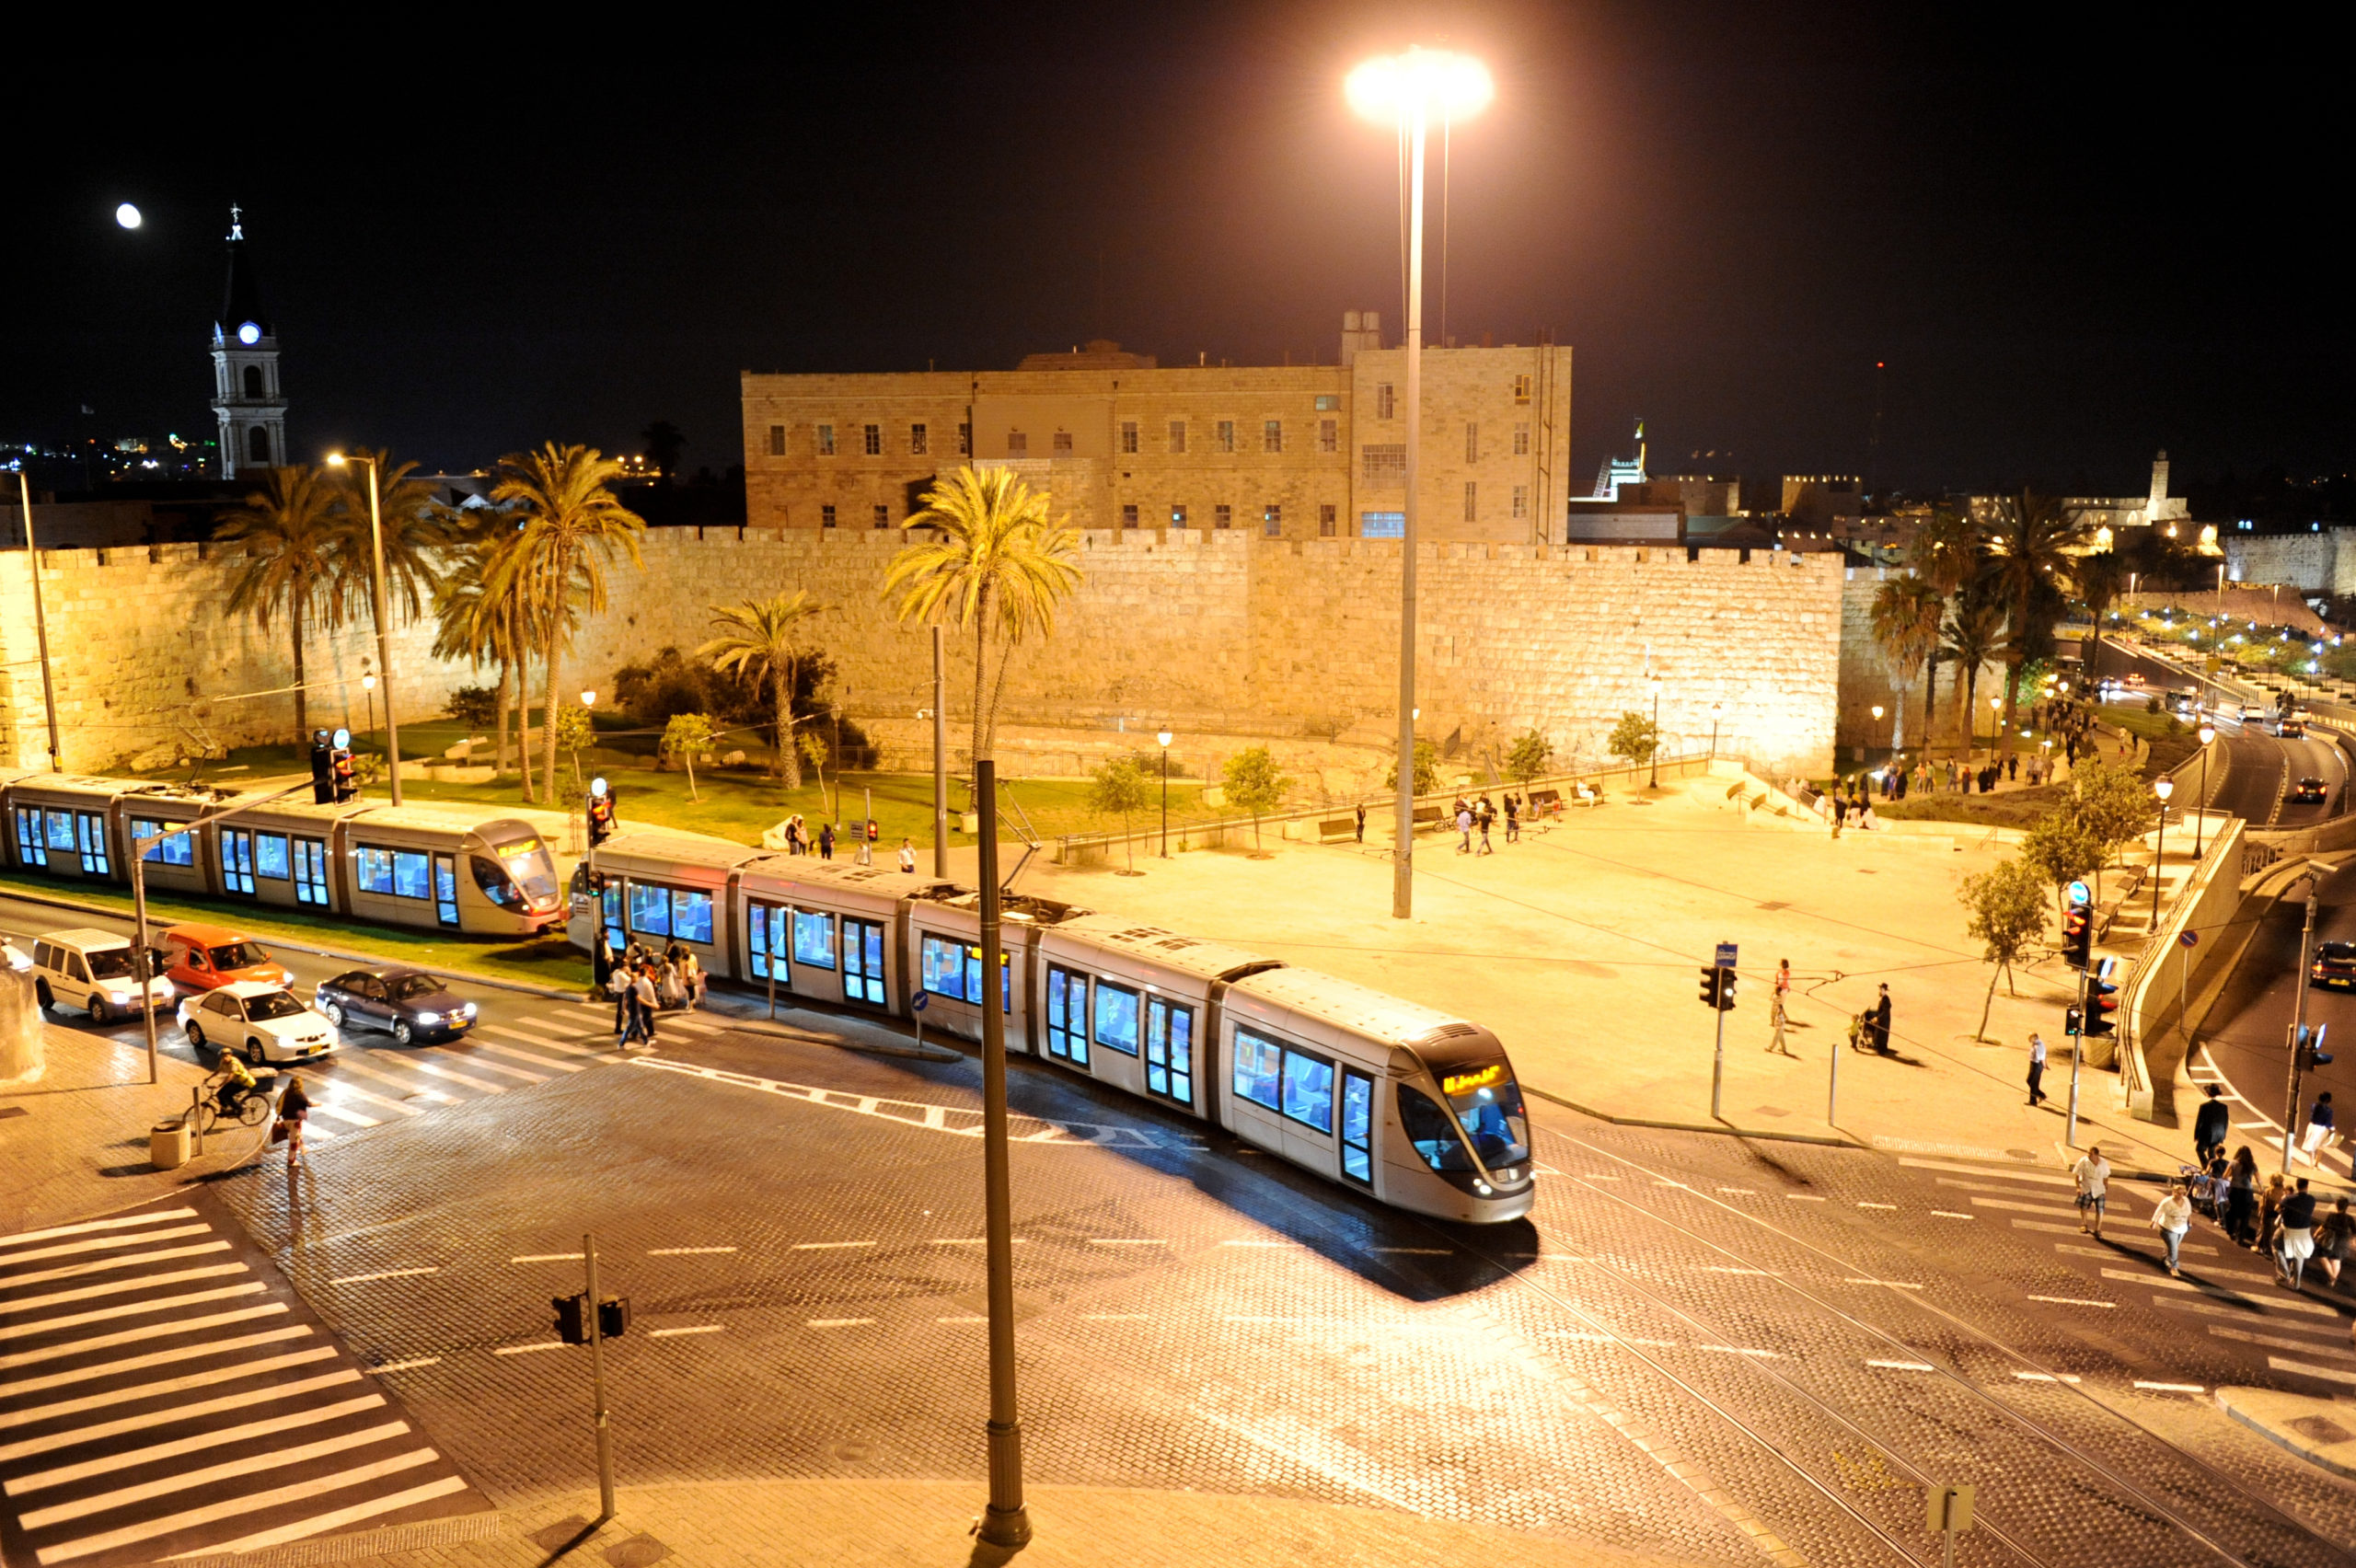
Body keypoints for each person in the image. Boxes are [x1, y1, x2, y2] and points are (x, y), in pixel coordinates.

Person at [2281, 1176, 2319, 1287]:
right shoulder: (2312, 1199)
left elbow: (2278, 1208)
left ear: (2297, 1186)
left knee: (2276, 1245)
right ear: (2307, 1187)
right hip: (2304, 1230)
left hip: (2289, 1229)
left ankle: (2285, 1271)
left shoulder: (2289, 1198)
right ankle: (2296, 1281)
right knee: (2299, 1255)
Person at [2151, 1180, 2193, 1276]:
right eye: (2178, 1193)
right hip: (2168, 1228)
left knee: (2173, 1246)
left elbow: (2189, 1212)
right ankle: (2174, 1267)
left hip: (2182, 1228)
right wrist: (2154, 1222)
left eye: (2182, 1193)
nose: (2180, 1195)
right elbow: (2159, 1211)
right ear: (2173, 1192)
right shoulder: (2167, 1201)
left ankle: (2166, 1258)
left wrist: (2190, 1222)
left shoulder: (2186, 1200)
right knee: (2174, 1248)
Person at [2073, 1144, 2112, 1238]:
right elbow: (2077, 1174)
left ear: (2096, 1155)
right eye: (2088, 1153)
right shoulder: (2084, 1161)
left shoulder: (2103, 1163)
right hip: (2087, 1187)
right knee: (2084, 1207)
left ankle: (2098, 1229)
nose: (2089, 1155)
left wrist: (2106, 1184)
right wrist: (2078, 1187)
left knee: (2100, 1209)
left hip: (2099, 1189)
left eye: (2091, 1154)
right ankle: (2084, 1224)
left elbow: (2106, 1176)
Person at [2317, 1197, 2356, 1288]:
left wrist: (2316, 1235)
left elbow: (2324, 1227)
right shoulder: (2349, 1218)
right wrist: (2353, 1241)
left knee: (2322, 1256)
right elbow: (2354, 1231)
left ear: (2336, 1205)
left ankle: (2332, 1276)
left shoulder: (2332, 1216)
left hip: (2331, 1240)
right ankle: (2332, 1282)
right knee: (2336, 1260)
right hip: (2343, 1241)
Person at [277, 1071, 310, 1170]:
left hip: (285, 1118)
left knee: (296, 1135)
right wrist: (317, 1104)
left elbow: (280, 1103)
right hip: (295, 1121)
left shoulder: (286, 1092)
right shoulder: (300, 1095)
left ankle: (303, 1148)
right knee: (294, 1141)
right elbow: (307, 1103)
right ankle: (291, 1161)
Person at [2226, 1147, 2259, 1246]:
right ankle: (2241, 1237)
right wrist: (2261, 1188)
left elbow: (2225, 1176)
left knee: (2233, 1211)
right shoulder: (2252, 1165)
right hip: (2247, 1192)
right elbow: (2258, 1179)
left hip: (2235, 1190)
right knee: (2245, 1215)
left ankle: (2231, 1231)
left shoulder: (2233, 1163)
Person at [2194, 1084, 2231, 1170]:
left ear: (2208, 1093)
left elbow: (2199, 1122)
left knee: (2200, 1149)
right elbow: (2225, 1122)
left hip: (2207, 1133)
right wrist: (2223, 1135)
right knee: (2212, 1153)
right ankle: (2214, 1169)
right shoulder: (2224, 1107)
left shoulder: (2204, 1106)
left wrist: (2196, 1135)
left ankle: (2206, 1167)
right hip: (2219, 1133)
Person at [215, 1052, 259, 1121]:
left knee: (226, 1096)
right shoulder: (223, 1061)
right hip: (235, 1081)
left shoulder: (234, 1063)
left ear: (230, 1056)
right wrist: (208, 1079)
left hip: (242, 1083)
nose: (224, 1058)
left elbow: (230, 1076)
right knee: (219, 1094)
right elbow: (218, 1070)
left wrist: (220, 1084)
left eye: (226, 1056)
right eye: (223, 1056)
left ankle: (240, 1109)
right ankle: (225, 1110)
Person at [2302, 1091, 2338, 1165]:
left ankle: (2311, 1163)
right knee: (2320, 1146)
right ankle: (2316, 1164)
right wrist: (2334, 1129)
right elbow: (2328, 1123)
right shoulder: (2329, 1111)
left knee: (2311, 1146)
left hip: (2312, 1127)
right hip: (2322, 1129)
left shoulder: (2314, 1106)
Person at [629, 964, 661, 1046]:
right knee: (646, 1018)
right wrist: (655, 1003)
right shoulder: (648, 982)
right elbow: (652, 994)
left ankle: (651, 1031)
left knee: (648, 1017)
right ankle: (635, 1032)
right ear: (646, 973)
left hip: (639, 1001)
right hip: (647, 1001)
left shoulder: (637, 981)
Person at [1868, 984, 1891, 1054]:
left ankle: (1881, 1050)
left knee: (1881, 1034)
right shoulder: (1884, 998)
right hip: (1883, 1019)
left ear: (1885, 991)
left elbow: (1885, 1012)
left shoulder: (1885, 999)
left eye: (1881, 990)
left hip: (1884, 1021)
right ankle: (1881, 1048)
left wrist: (1877, 1018)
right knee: (1881, 1034)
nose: (1880, 991)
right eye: (1880, 990)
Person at [2027, 1032, 2049, 1107]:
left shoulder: (2039, 1046)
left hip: (2037, 1065)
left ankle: (2033, 1101)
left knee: (2034, 1083)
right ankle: (2041, 1095)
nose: (2029, 1039)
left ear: (2035, 1038)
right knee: (2029, 1080)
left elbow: (2041, 1057)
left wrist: (2044, 1065)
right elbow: (2045, 1054)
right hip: (2033, 1064)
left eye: (2031, 1038)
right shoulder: (2036, 1044)